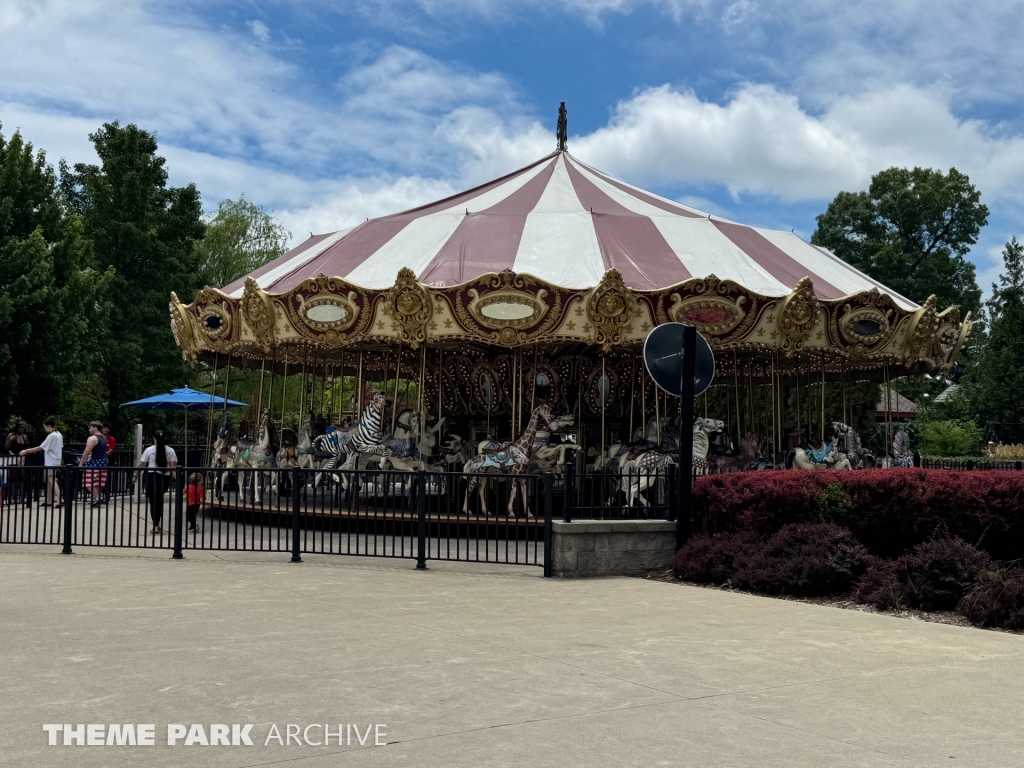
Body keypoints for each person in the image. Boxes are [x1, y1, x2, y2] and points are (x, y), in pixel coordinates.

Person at [136, 432, 177, 534]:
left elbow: (142, 464)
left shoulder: (149, 450)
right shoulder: (170, 450)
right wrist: (178, 480)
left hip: (152, 476)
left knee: (153, 501)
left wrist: (136, 475)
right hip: (165, 477)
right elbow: (173, 467)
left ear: (154, 439)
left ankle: (155, 525)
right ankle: (158, 523)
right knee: (159, 500)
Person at [19, 417, 63, 506]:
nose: (45, 429)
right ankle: (49, 500)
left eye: (45, 427)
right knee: (47, 479)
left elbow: (41, 447)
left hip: (51, 461)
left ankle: (60, 499)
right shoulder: (59, 434)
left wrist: (27, 451)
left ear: (49, 426)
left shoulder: (51, 436)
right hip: (56, 459)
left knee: (51, 479)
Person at [78, 421, 108, 507]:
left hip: (94, 462)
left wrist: (81, 463)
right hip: (103, 461)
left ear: (95, 428)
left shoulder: (92, 438)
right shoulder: (104, 438)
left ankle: (98, 497)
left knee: (88, 482)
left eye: (90, 427)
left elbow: (87, 451)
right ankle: (96, 499)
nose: (89, 429)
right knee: (97, 482)